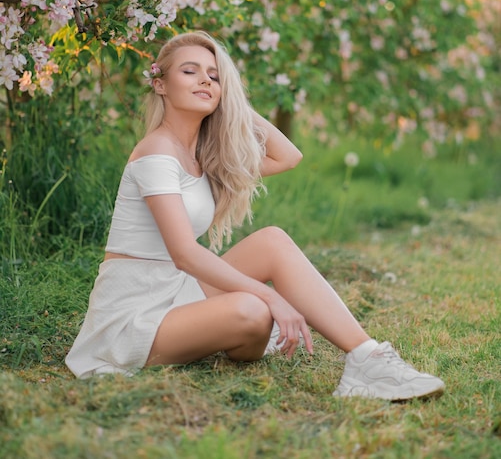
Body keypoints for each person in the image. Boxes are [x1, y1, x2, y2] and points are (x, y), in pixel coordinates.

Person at [66, 31, 445, 401]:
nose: (205, 79)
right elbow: (184, 253)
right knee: (255, 310)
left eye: (214, 76)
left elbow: (288, 157)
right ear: (161, 84)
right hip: (132, 315)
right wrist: (271, 297)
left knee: (272, 242)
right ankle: (253, 322)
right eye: (190, 71)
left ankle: (366, 358)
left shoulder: (203, 157)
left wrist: (232, 100)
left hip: (175, 291)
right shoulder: (155, 152)